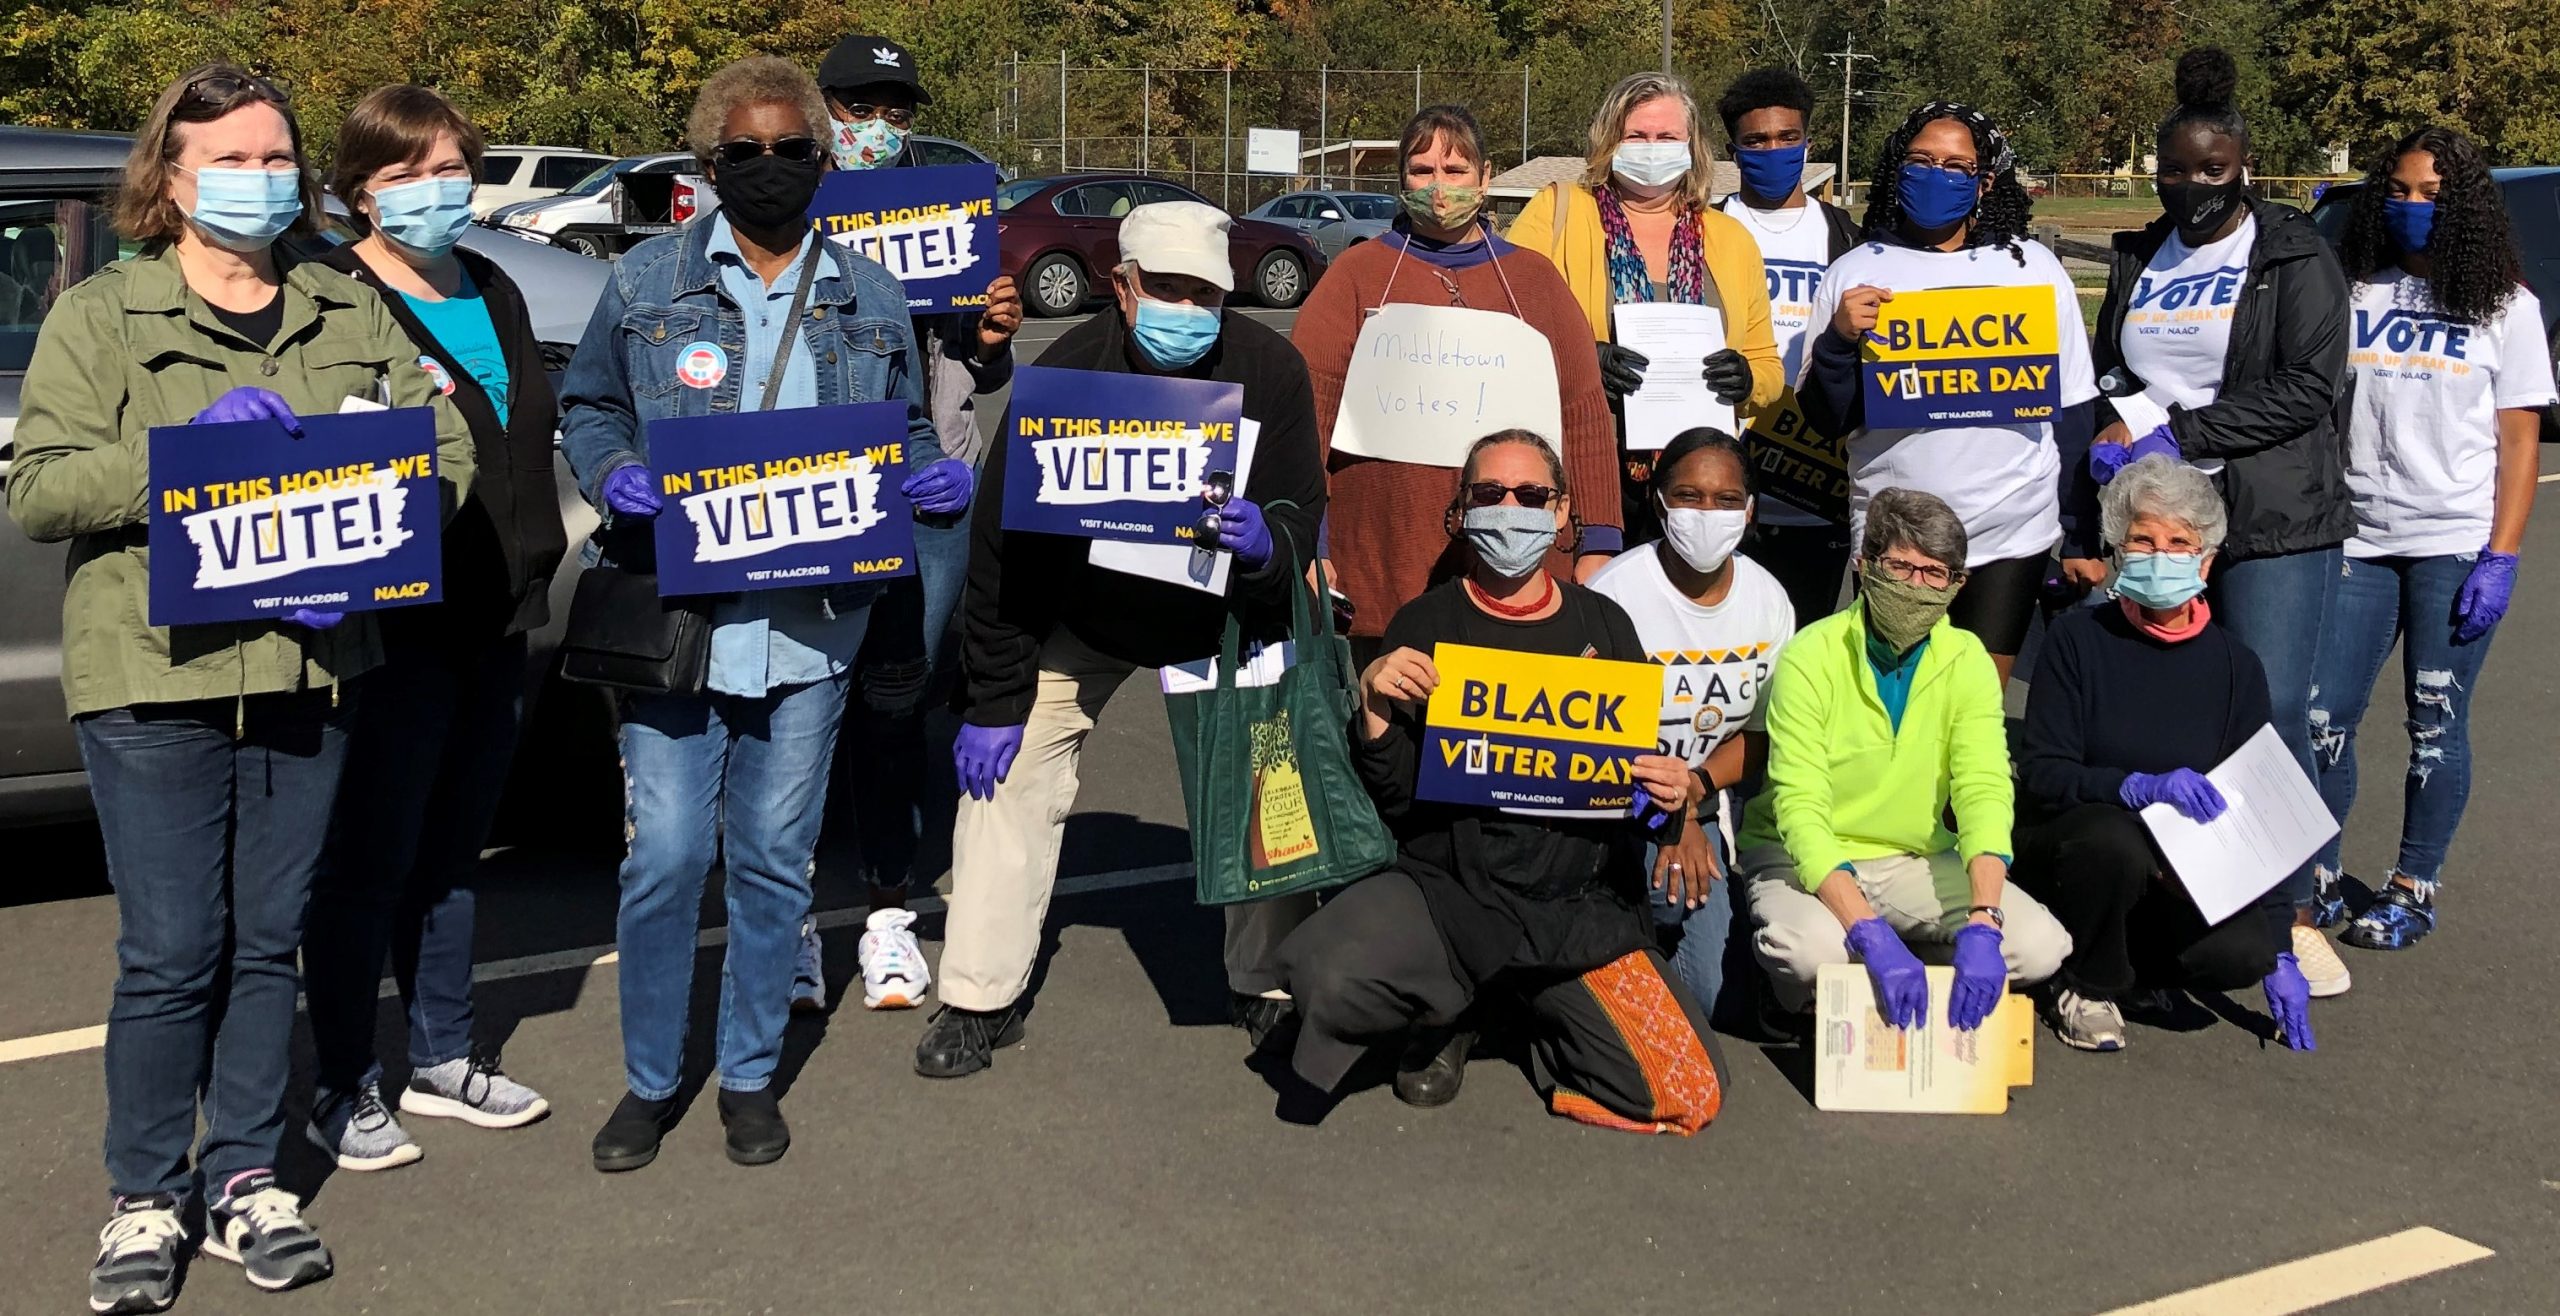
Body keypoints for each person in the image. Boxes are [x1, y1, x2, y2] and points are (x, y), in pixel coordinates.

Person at [6, 63, 473, 1311]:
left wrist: (381, 539)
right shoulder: (102, 315)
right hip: (155, 678)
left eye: (277, 157)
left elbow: (447, 444)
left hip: (313, 667)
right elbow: (39, 487)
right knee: (172, 950)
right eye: (232, 159)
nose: (260, 179)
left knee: (269, 940)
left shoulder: (343, 297)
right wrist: (175, 467)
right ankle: (144, 1193)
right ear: (169, 177)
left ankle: (246, 1173)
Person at [558, 56, 944, 1172]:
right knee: (668, 857)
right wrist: (613, 466)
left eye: (789, 151)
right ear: (707, 164)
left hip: (814, 628)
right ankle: (646, 1080)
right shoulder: (643, 283)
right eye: (744, 153)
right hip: (678, 625)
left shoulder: (869, 293)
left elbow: (905, 429)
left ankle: (749, 1073)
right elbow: (590, 404)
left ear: (820, 161)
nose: (768, 169)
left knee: (775, 862)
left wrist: (928, 476)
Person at [924, 199, 1330, 1077]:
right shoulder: (1065, 374)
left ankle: (1261, 983)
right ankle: (977, 996)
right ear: (1122, 286)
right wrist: (996, 696)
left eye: (1207, 294)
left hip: (1222, 621)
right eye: (1170, 289)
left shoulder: (1272, 367)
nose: (1191, 309)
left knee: (1269, 789)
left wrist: (1269, 546)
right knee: (1008, 777)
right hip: (1085, 618)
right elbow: (1000, 551)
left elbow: (1301, 512)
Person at [1277, 431, 1725, 1132]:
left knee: (1689, 1089)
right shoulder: (1426, 622)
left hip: (1577, 907)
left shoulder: (1603, 625)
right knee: (1327, 973)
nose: (1510, 509)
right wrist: (1372, 709)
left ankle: (1527, 1012)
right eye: (1490, 494)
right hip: (1452, 891)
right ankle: (1450, 1009)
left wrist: (1668, 801)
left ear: (1562, 511)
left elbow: (1625, 789)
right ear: (1463, 510)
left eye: (1531, 495)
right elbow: (1396, 801)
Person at [299, 84, 567, 1175]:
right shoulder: (329, 292)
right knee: (370, 854)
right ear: (359, 190)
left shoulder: (493, 283)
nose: (430, 192)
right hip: (393, 627)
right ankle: (344, 1076)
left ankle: (444, 1054)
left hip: (496, 613)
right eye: (404, 174)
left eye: (449, 168)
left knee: (455, 851)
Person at [2079, 50, 2354, 995]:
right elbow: (2115, 371)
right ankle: (2172, 905)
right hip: (2158, 512)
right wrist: (2114, 419)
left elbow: (2308, 390)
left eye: (2213, 170)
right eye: (2176, 169)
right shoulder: (2138, 253)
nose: (2193, 185)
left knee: (2269, 716)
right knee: (2158, 712)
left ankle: (2287, 917)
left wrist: (2172, 425)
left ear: (2244, 165)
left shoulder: (2291, 253)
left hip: (2272, 514)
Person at [799, 33, 1025, 1015]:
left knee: (897, 701)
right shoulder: (784, 205)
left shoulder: (939, 213)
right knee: (800, 702)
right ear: (820, 109)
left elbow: (975, 369)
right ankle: (793, 916)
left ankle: (887, 907)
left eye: (894, 110)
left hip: (931, 494)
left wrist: (989, 333)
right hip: (814, 488)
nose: (877, 128)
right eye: (858, 106)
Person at [2310, 125, 2553, 954]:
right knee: (2322, 719)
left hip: (2453, 543)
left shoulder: (2505, 308)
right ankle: (2318, 875)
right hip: (2358, 538)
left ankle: (2413, 885)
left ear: (2468, 209)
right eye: (2402, 191)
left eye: (2434, 195)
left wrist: (2503, 555)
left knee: (2436, 723)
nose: (2414, 207)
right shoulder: (2353, 290)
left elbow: (2520, 442)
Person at [1292, 104, 1619, 658]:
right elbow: (1305, 418)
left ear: (1486, 177)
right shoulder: (1354, 276)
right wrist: (1309, 541)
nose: (1438, 187)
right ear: (1400, 181)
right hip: (1377, 562)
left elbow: (1583, 415)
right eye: (1421, 171)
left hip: (1519, 571)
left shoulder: (1536, 281)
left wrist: (1600, 542)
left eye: (1455, 170)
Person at [1737, 488, 2070, 1023]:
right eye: (1900, 567)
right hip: (1800, 855)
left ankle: (1907, 967)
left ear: (1958, 584)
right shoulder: (1810, 654)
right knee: (1808, 954)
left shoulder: (1968, 662)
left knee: (2038, 946)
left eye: (1934, 574)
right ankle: (1818, 985)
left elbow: (1983, 788)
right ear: (1863, 566)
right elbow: (1799, 808)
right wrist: (1867, 929)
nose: (1916, 586)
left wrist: (1985, 919)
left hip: (1913, 855)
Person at [2013, 457, 2311, 1053]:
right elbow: (2044, 773)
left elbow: (2261, 810)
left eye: (2179, 542)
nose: (2161, 554)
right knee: (2113, 842)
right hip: (2078, 849)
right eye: (2143, 539)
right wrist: (2135, 787)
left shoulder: (2234, 666)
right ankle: (2086, 984)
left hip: (2181, 867)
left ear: (2206, 560)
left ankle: (2134, 971)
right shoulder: (2078, 639)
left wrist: (2280, 947)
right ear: (2119, 552)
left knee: (2243, 951)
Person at [1796, 103, 2098, 684]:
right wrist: (1838, 339)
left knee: (1978, 702)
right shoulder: (1854, 271)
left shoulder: (2032, 267)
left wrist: (2079, 528)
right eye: (1922, 160)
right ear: (1897, 168)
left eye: (1957, 165)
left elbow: (2074, 408)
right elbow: (1826, 418)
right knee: (1895, 698)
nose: (1938, 173)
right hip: (1895, 530)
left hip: (2012, 524)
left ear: (1984, 181)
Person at [1507, 71, 1785, 540]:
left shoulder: (1731, 239)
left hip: (1693, 484)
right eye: (1637, 135)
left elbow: (1767, 366)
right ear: (1610, 140)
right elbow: (1507, 325)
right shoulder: (1557, 212)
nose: (1652, 147)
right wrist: (1582, 357)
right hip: (1580, 465)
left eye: (1667, 136)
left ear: (1691, 145)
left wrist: (1747, 379)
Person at [1587, 428, 1795, 1018]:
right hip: (1615, 806)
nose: (1708, 512)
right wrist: (1670, 813)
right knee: (1662, 893)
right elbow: (1586, 747)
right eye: (1689, 495)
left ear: (1750, 510)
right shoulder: (1613, 595)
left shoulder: (1768, 601)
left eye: (1727, 500)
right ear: (1658, 503)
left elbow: (1758, 735)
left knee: (1705, 996)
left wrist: (1694, 796)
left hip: (1700, 801)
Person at [1714, 67, 1864, 625]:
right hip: (1723, 472)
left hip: (1813, 478)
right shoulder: (1706, 226)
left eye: (1786, 138)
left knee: (1800, 654)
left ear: (1807, 142)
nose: (1772, 150)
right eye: (1755, 141)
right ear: (1733, 149)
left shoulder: (1845, 235)